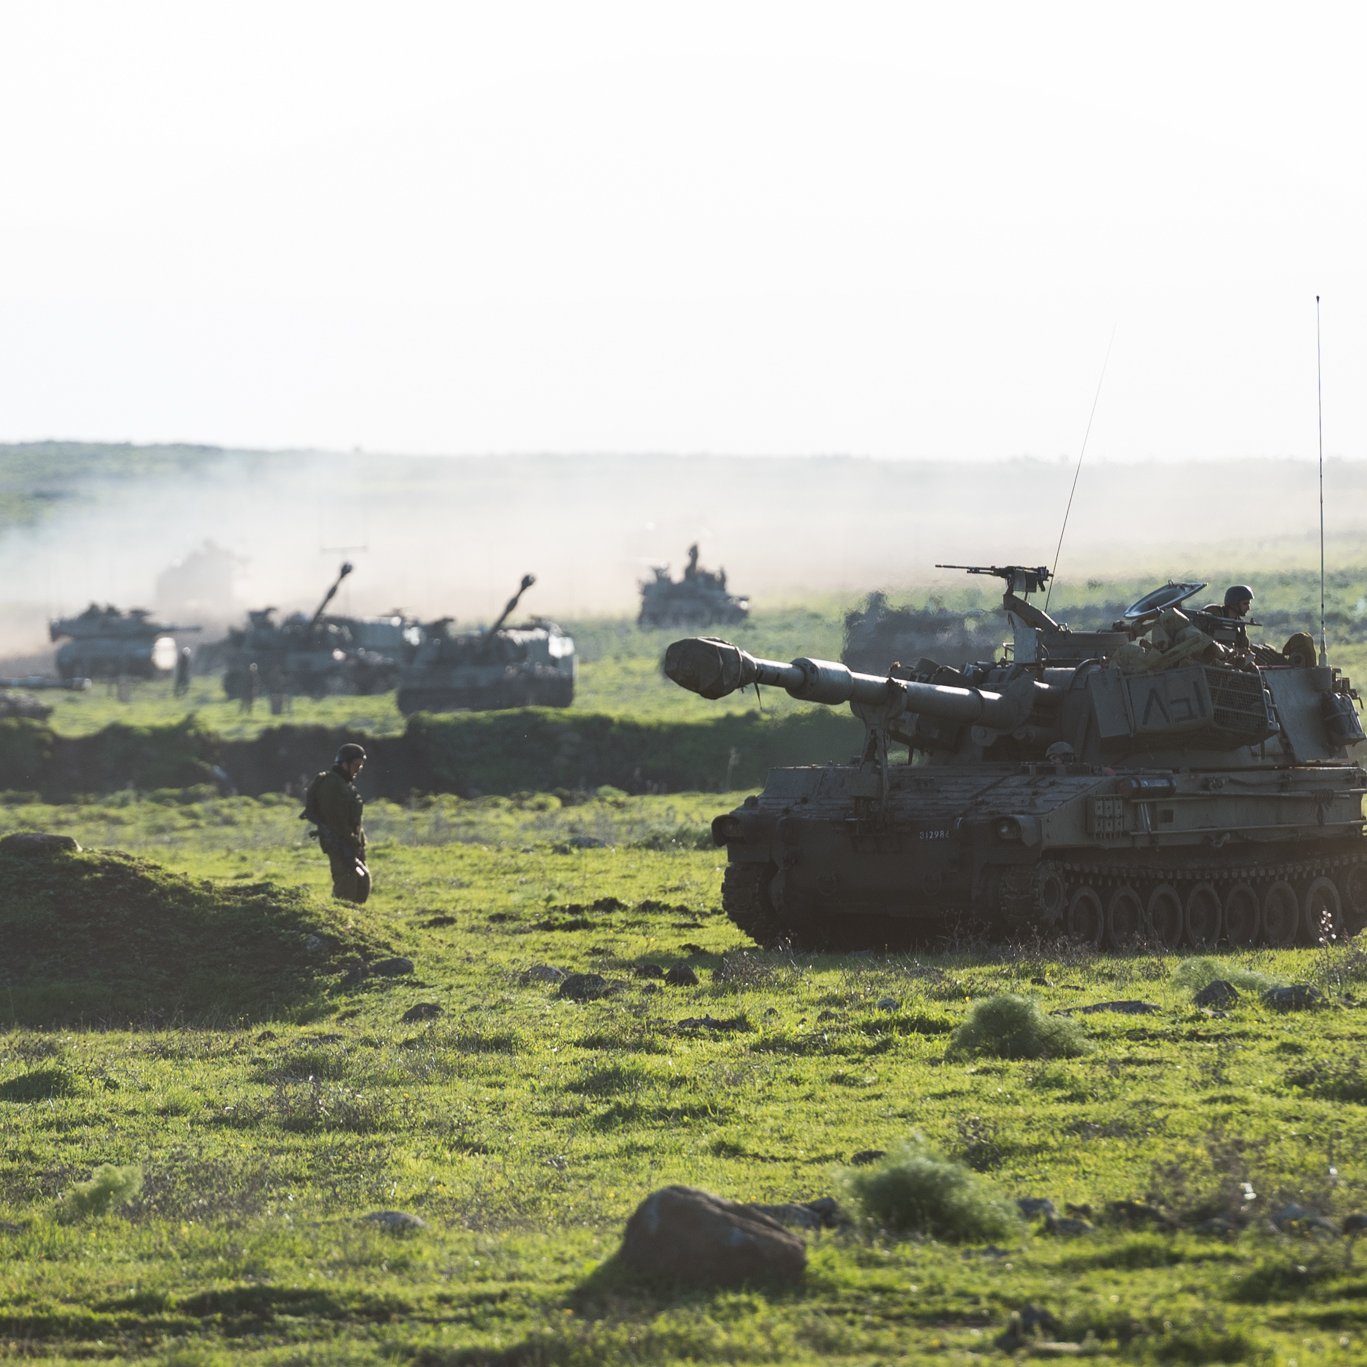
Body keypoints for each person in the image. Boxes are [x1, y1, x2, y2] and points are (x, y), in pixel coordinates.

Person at [302, 742, 370, 903]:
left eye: (361, 766)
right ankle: (339, 917)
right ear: (344, 763)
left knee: (362, 881)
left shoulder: (344, 784)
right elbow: (335, 819)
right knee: (347, 884)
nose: (358, 770)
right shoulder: (331, 784)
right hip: (338, 841)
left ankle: (355, 920)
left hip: (350, 842)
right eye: (355, 765)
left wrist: (359, 842)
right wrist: (351, 841)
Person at [1195, 585, 1254, 652]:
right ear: (1234, 603)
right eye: (1245, 604)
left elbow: (1243, 646)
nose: (1248, 608)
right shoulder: (1214, 613)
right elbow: (1197, 633)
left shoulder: (1239, 625)